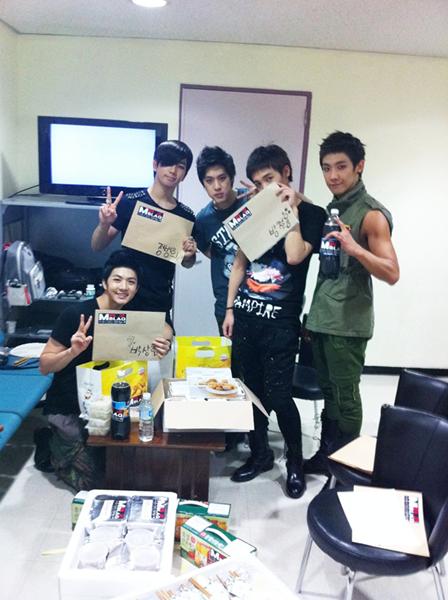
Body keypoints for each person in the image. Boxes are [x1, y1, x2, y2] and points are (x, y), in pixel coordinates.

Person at [223, 145, 326, 498]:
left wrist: (289, 211)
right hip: (246, 318)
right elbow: (240, 262)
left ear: (286, 172)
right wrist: (230, 309)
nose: (264, 187)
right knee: (250, 393)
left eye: (269, 179)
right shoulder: (256, 211)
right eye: (258, 183)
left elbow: (295, 256)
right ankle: (260, 454)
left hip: (281, 323)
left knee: (281, 396)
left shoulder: (312, 213)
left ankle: (294, 462)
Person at [304, 131, 400, 475]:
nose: (333, 175)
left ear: (359, 166)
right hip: (323, 318)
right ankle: (327, 455)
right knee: (330, 393)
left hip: (347, 324)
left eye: (341, 166)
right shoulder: (337, 208)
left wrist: (356, 249)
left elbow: (392, 272)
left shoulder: (371, 215)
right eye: (326, 168)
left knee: (345, 397)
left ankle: (346, 467)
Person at [38, 250, 173, 491]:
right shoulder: (77, 315)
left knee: (134, 472)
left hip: (114, 401)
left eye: (131, 282)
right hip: (71, 405)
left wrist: (165, 342)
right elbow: (44, 365)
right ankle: (48, 444)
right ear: (104, 282)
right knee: (97, 484)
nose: (124, 287)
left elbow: (165, 329)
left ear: (136, 288)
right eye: (117, 279)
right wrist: (72, 351)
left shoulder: (132, 312)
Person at [91, 140, 197, 312]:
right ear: (155, 164)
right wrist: (104, 224)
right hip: (124, 296)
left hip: (159, 298)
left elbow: (187, 262)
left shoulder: (186, 215)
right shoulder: (130, 202)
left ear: (184, 174)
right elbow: (97, 246)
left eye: (180, 166)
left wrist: (189, 255)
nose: (173, 170)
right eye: (167, 163)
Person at [194, 146, 246, 334]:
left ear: (231, 177)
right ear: (203, 184)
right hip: (225, 305)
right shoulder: (202, 220)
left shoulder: (250, 199)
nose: (217, 186)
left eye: (222, 178)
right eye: (209, 181)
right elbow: (212, 254)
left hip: (259, 299)